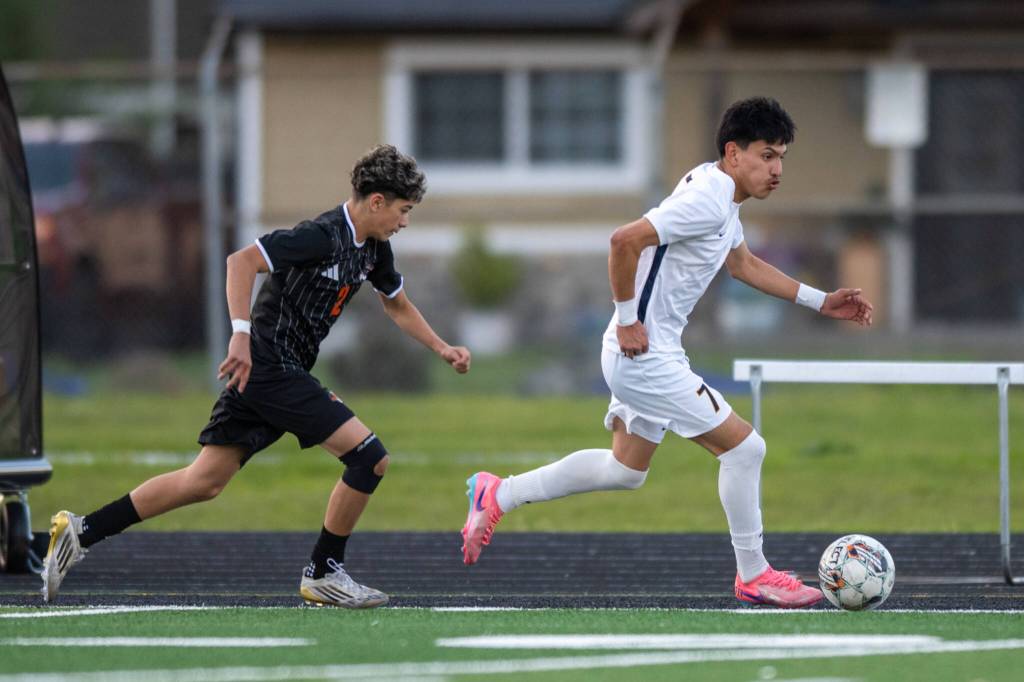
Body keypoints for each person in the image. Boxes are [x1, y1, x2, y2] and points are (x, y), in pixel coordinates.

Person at [461, 97, 873, 608]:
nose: (777, 169)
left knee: (625, 470)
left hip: (645, 353)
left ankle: (497, 493)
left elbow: (743, 265)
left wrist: (821, 301)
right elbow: (622, 242)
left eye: (782, 157)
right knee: (746, 449)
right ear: (733, 152)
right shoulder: (708, 197)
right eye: (767, 155)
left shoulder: (722, 195)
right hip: (644, 357)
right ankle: (754, 574)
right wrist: (629, 318)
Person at [43, 144, 471, 608]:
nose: (404, 222)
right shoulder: (322, 235)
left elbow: (397, 305)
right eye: (403, 210)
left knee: (203, 481)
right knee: (370, 458)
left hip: (269, 373)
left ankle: (82, 530)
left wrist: (442, 348)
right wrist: (239, 335)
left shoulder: (374, 250)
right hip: (269, 367)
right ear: (376, 202)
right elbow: (240, 262)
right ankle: (324, 572)